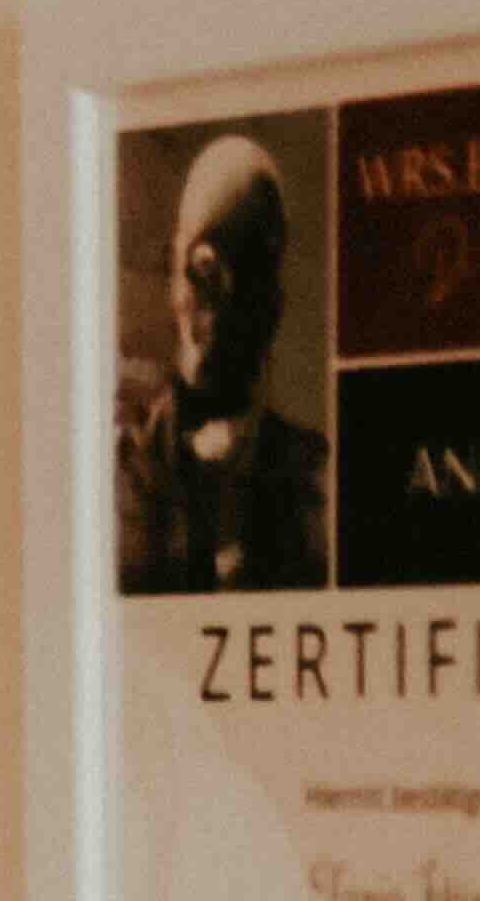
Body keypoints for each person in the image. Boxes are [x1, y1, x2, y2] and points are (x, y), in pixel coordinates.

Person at [116, 125, 327, 593]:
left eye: (248, 270)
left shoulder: (315, 488)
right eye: (203, 270)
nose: (220, 295)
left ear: (275, 303)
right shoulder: (119, 484)